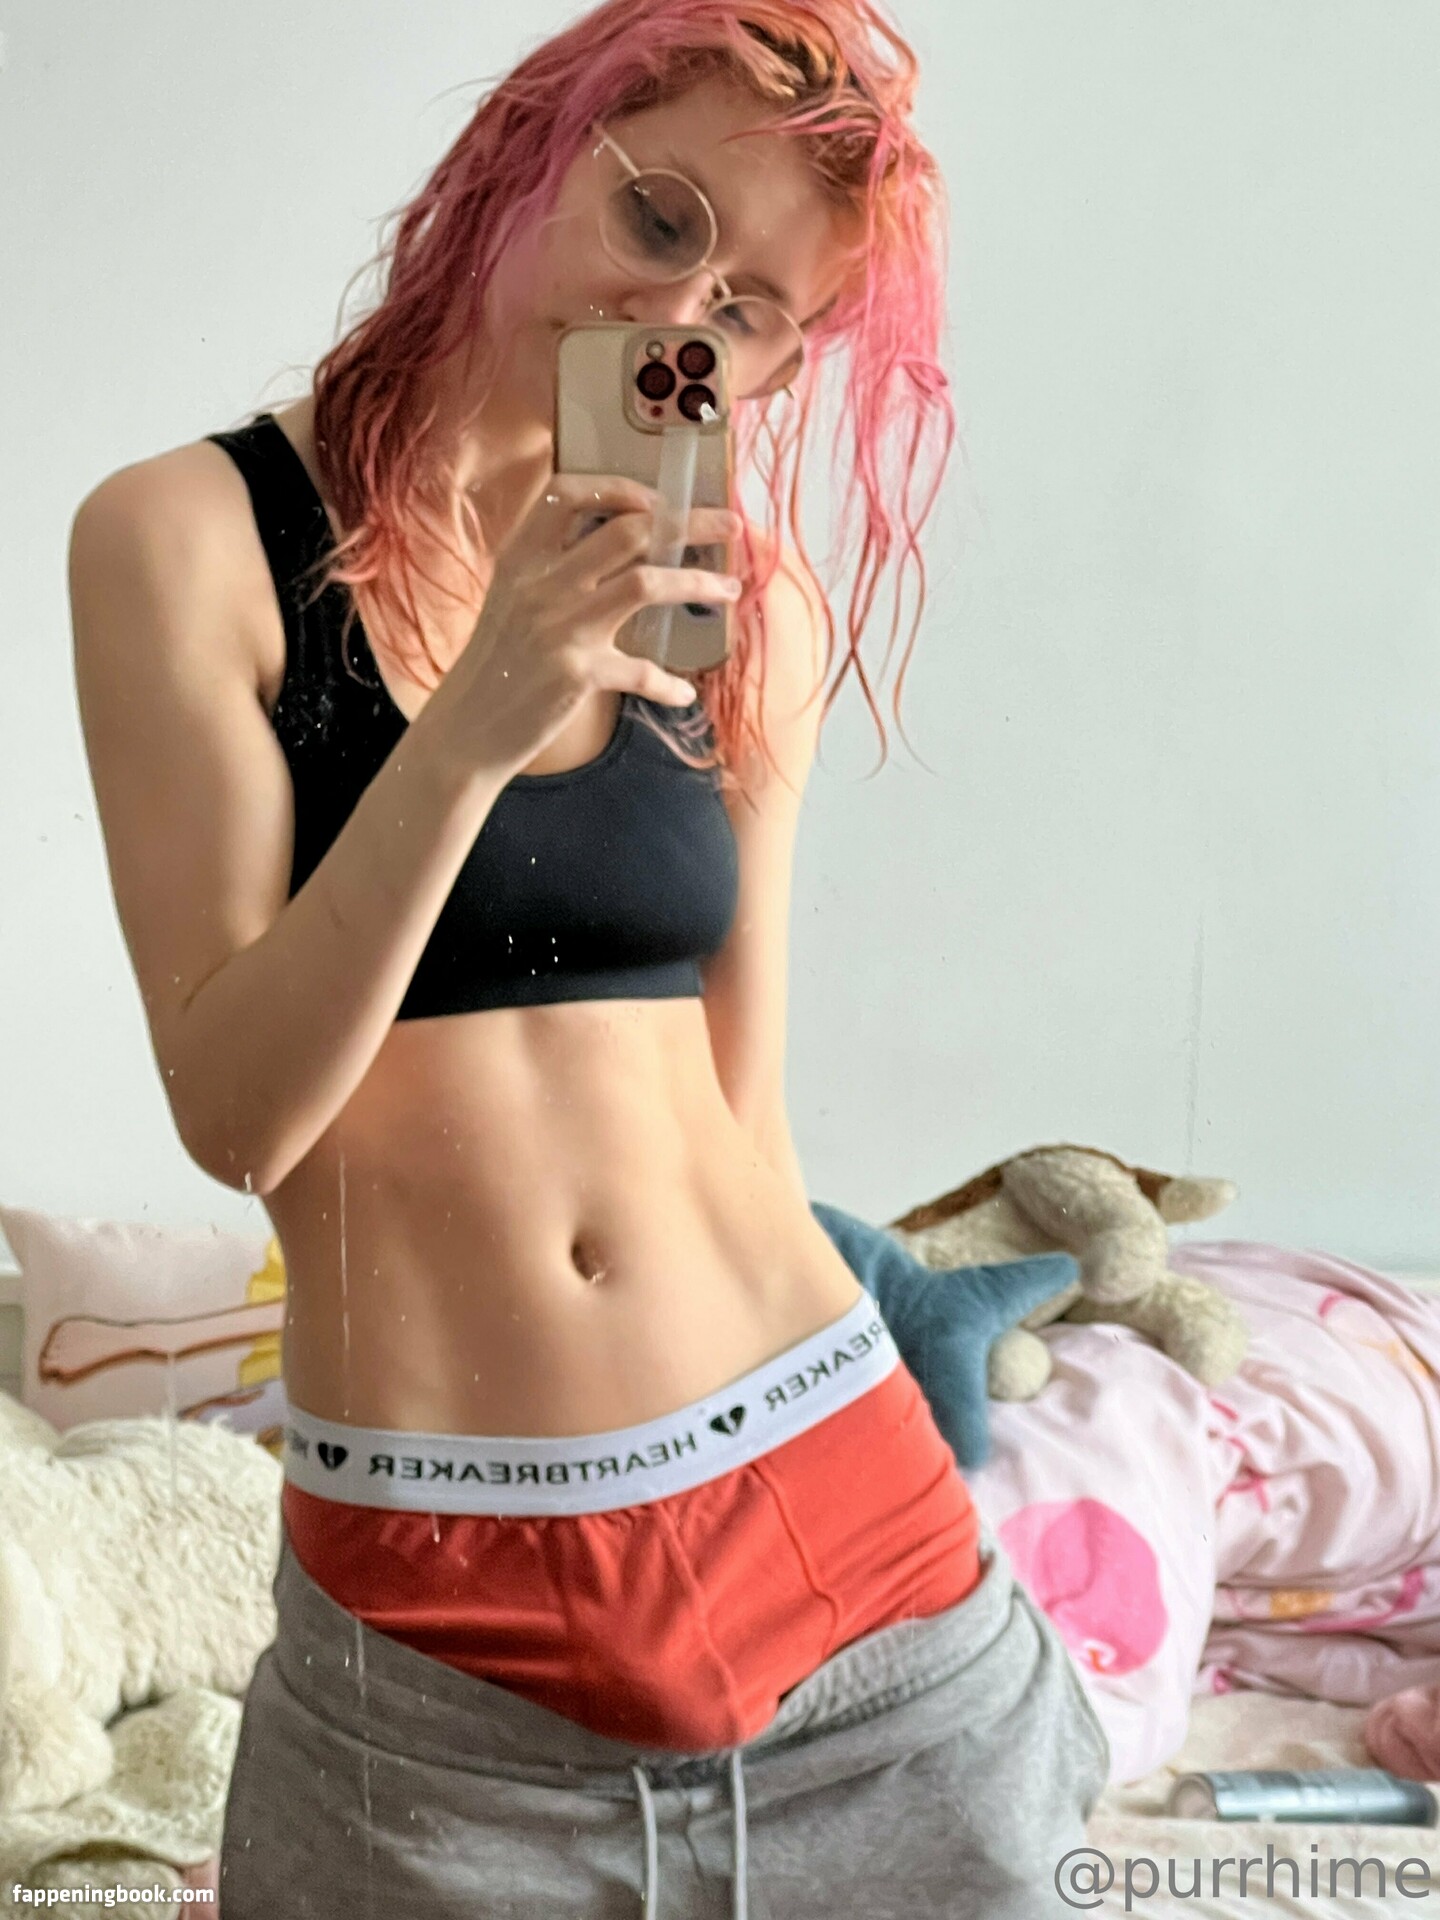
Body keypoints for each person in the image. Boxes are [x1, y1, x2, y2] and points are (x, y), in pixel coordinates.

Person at [67, 2, 1108, 1913]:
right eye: (659, 221)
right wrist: (474, 721)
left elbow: (743, 1112)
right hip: (450, 1593)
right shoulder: (185, 539)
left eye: (758, 311)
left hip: (841, 1529)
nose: (685, 316)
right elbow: (238, 1115)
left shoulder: (748, 609)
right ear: (527, 160)